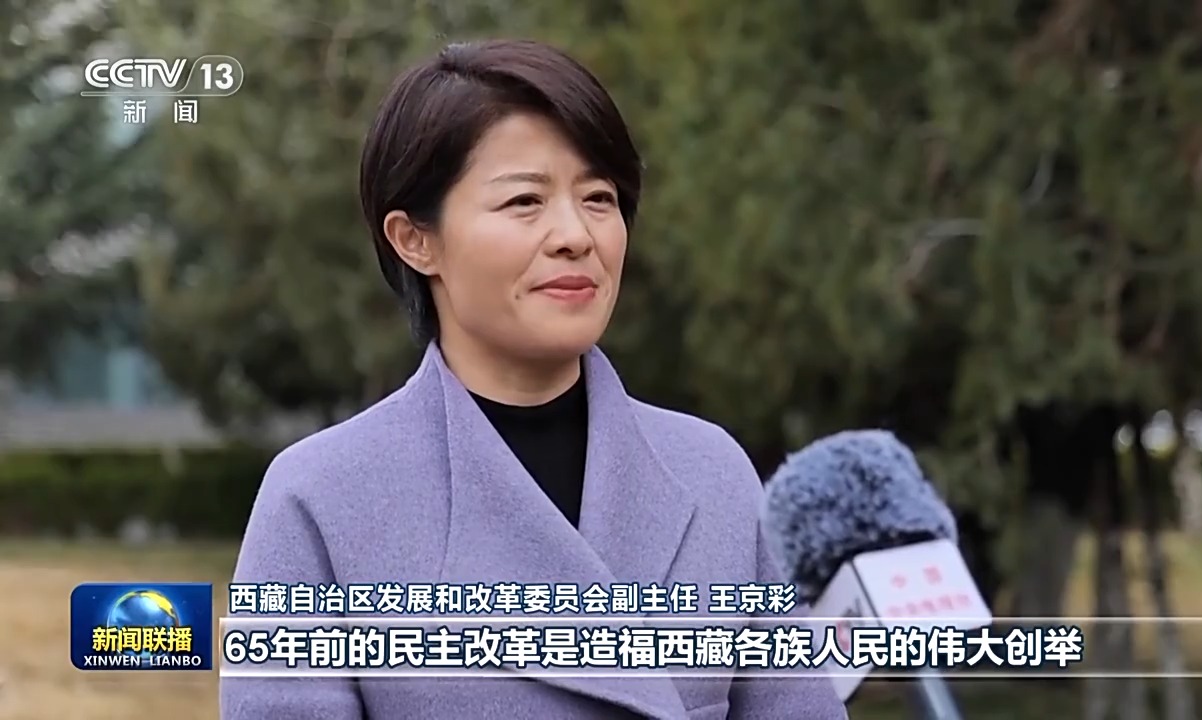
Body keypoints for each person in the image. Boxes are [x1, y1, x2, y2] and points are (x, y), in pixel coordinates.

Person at [220, 39, 847, 720]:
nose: (576, 235)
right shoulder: (321, 498)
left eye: (599, 198)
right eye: (525, 201)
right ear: (414, 239)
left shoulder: (711, 471)